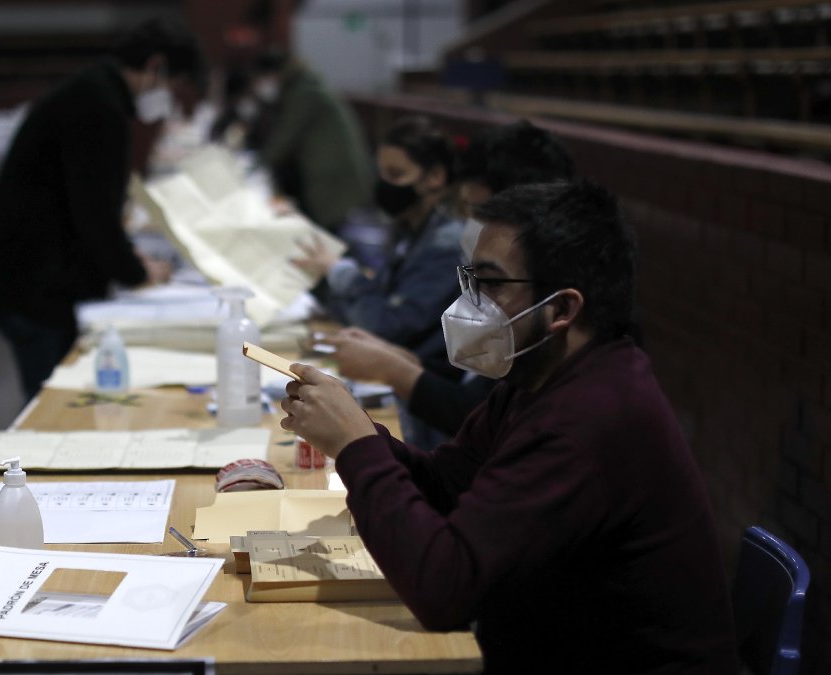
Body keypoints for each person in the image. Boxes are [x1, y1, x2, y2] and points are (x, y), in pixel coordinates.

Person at [278, 181, 738, 673]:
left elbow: (444, 590)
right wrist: (359, 431)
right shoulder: (541, 377)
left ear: (562, 309)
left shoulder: (589, 418)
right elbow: (449, 486)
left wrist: (355, 447)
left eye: (492, 284)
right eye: (470, 280)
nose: (472, 303)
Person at [0, 18, 203, 400]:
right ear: (156, 66)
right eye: (172, 84)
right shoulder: (99, 106)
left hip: (31, 277)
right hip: (37, 287)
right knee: (51, 406)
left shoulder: (93, 92)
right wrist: (135, 271)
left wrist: (128, 258)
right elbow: (94, 215)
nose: (168, 96)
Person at [327, 121, 576, 437]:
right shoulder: (505, 276)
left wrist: (396, 371)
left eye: (481, 212)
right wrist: (407, 361)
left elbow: (483, 421)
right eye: (469, 211)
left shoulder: (538, 299)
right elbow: (475, 378)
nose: (470, 226)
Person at [292, 115, 467, 449]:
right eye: (382, 173)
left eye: (396, 175)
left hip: (426, 403)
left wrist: (338, 272)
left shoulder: (447, 243)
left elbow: (385, 324)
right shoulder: (410, 227)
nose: (385, 185)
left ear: (435, 177)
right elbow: (374, 300)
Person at [249, 49, 371, 231]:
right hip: (330, 168)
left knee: (333, 231)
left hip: (332, 173)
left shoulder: (304, 93)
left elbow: (285, 137)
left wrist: (253, 168)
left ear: (274, 73)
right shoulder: (303, 85)